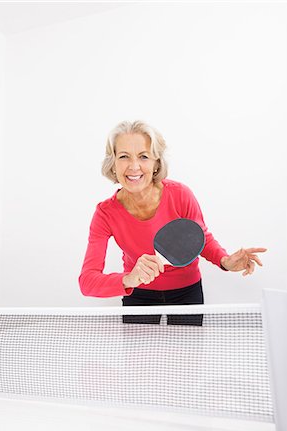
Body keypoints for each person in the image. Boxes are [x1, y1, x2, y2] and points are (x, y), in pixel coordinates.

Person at [79, 121, 266, 325]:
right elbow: (87, 282)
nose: (134, 166)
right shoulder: (105, 213)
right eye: (124, 156)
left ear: (156, 163)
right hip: (138, 295)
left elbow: (200, 237)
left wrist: (224, 261)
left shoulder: (180, 195)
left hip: (187, 294)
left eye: (143, 156)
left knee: (187, 356)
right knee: (138, 357)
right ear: (113, 163)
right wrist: (130, 279)